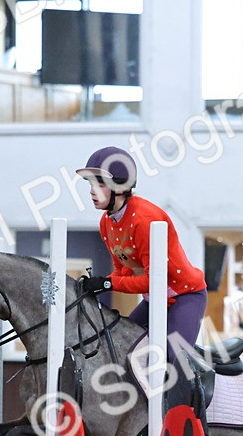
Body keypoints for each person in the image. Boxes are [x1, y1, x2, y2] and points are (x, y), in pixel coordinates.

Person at [75, 146, 208, 347]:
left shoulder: (144, 219)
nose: (92, 191)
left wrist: (107, 284)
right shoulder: (107, 222)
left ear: (120, 187)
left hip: (185, 296)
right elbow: (125, 271)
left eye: (100, 184)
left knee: (173, 360)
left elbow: (152, 280)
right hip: (154, 299)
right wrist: (99, 283)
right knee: (120, 344)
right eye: (90, 184)